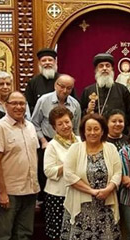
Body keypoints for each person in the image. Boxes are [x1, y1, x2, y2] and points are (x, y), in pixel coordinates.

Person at [60, 113, 122, 240]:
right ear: (83, 131)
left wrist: (109, 188)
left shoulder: (110, 148)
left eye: (96, 129)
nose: (93, 132)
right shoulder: (76, 148)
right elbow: (69, 175)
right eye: (89, 129)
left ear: (103, 130)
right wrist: (93, 191)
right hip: (82, 205)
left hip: (105, 203)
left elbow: (118, 173)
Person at [0, 91, 43, 240]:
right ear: (6, 105)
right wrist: (1, 192)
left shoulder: (30, 127)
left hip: (30, 189)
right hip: (9, 190)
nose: (19, 107)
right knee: (4, 236)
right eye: (15, 104)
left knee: (24, 233)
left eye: (22, 104)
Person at [43, 106, 81, 240]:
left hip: (77, 192)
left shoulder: (80, 141)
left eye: (67, 121)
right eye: (60, 124)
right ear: (54, 127)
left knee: (75, 229)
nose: (65, 126)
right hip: (57, 194)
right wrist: (68, 167)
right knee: (59, 232)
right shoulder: (52, 145)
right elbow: (48, 171)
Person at [32, 74, 81, 205]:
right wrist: (43, 141)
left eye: (69, 88)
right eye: (62, 87)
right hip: (47, 142)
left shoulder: (75, 104)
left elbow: (76, 127)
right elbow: (35, 123)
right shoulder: (43, 100)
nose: (65, 91)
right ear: (55, 85)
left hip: (72, 143)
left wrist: (76, 144)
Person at [81, 53, 130, 133]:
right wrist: (88, 111)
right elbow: (81, 114)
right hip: (94, 133)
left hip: (117, 134)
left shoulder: (122, 90)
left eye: (107, 66)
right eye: (101, 66)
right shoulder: (88, 90)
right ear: (96, 70)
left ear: (112, 69)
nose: (104, 68)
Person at [26, 48, 77, 114]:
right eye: (43, 60)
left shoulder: (64, 80)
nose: (47, 63)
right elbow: (29, 106)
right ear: (39, 63)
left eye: (50, 60)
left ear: (55, 62)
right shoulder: (33, 82)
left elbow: (74, 102)